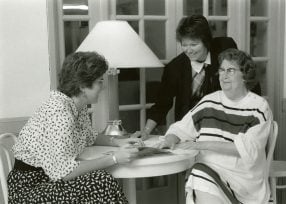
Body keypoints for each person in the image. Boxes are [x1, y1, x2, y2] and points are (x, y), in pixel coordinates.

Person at [8, 52, 143, 203]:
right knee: (101, 181)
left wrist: (119, 142)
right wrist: (114, 158)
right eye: (100, 81)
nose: (103, 87)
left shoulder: (78, 106)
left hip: (49, 180)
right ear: (83, 86)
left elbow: (89, 136)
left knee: (101, 180)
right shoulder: (60, 113)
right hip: (30, 189)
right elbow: (64, 173)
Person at [158, 48, 272, 204]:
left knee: (198, 174)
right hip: (208, 173)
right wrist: (171, 138)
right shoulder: (210, 101)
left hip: (242, 180)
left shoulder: (258, 107)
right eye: (222, 70)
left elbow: (245, 149)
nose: (224, 76)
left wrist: (201, 144)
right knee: (199, 173)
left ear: (245, 75)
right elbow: (181, 128)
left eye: (230, 71)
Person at [133, 14, 261, 140]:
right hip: (189, 129)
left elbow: (246, 78)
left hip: (224, 125)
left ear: (206, 41)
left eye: (194, 45)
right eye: (184, 45)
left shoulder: (224, 48)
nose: (188, 50)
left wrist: (253, 114)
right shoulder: (174, 68)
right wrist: (146, 131)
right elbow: (162, 104)